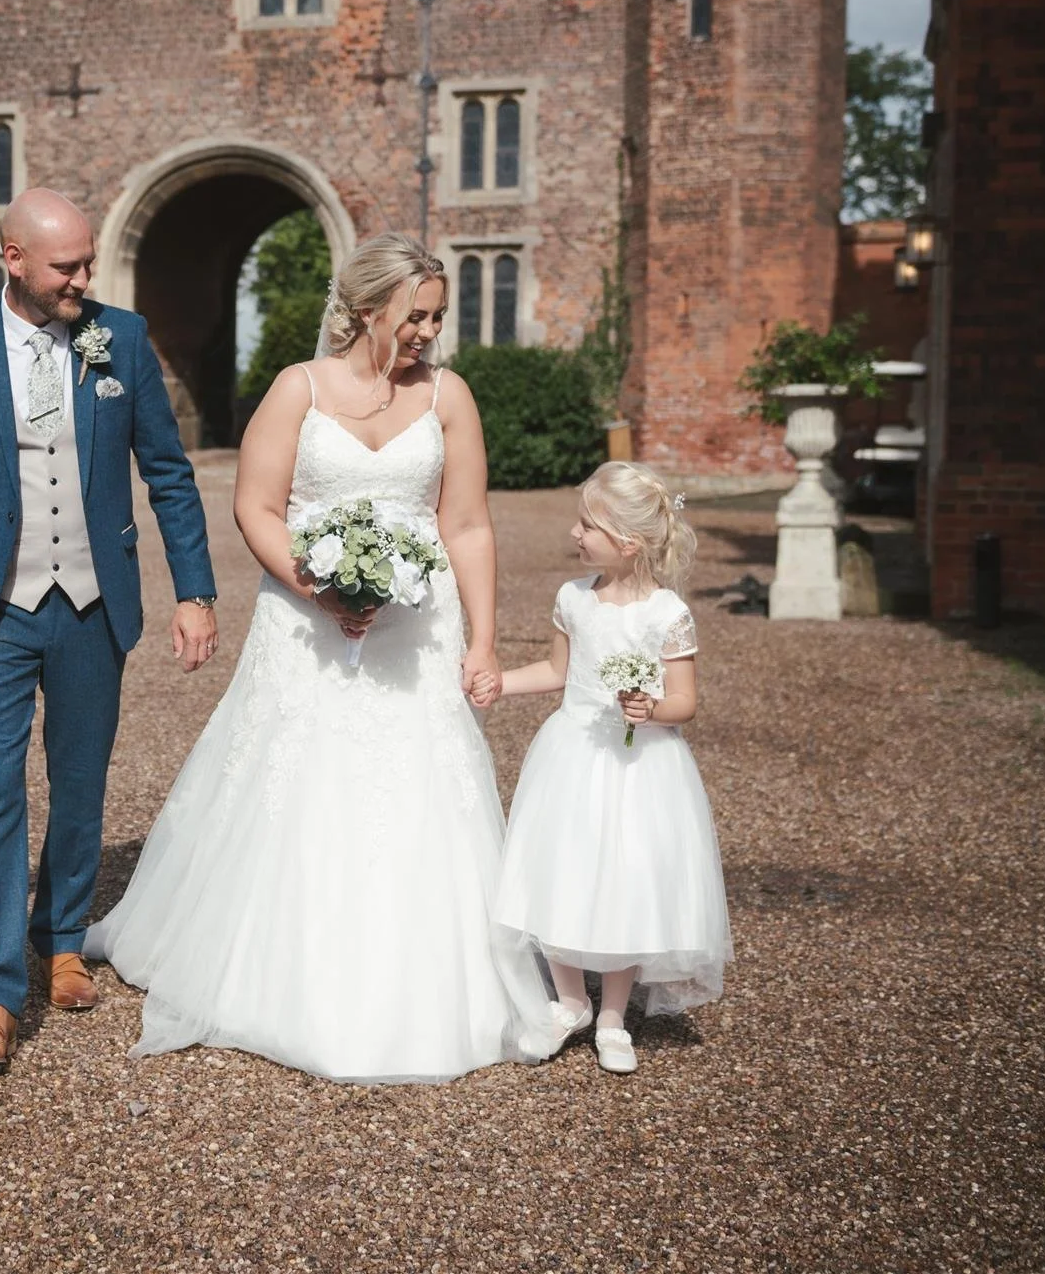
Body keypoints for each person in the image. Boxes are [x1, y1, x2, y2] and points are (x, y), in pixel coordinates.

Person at [85, 233, 560, 1084]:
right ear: (367, 309)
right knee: (297, 777)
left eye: (438, 316)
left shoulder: (448, 396)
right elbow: (256, 507)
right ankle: (276, 969)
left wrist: (483, 640)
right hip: (304, 626)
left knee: (417, 788)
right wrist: (319, 588)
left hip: (417, 631)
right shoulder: (296, 390)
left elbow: (465, 525)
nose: (428, 332)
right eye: (415, 316)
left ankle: (421, 982)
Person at [0, 188, 219, 1078]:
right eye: (66, 266)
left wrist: (195, 591)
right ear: (13, 259)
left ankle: (60, 935)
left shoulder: (120, 339)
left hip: (94, 601)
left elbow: (168, 474)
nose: (82, 279)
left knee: (80, 781)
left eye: (88, 262)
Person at [489, 463, 731, 1073]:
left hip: (638, 764)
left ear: (627, 541)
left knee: (626, 876)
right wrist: (498, 683)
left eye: (587, 524)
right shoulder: (573, 598)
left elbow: (685, 701)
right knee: (559, 866)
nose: (574, 533)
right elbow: (557, 671)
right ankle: (570, 1000)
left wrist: (652, 709)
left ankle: (614, 1016)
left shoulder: (666, 613)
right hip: (570, 752)